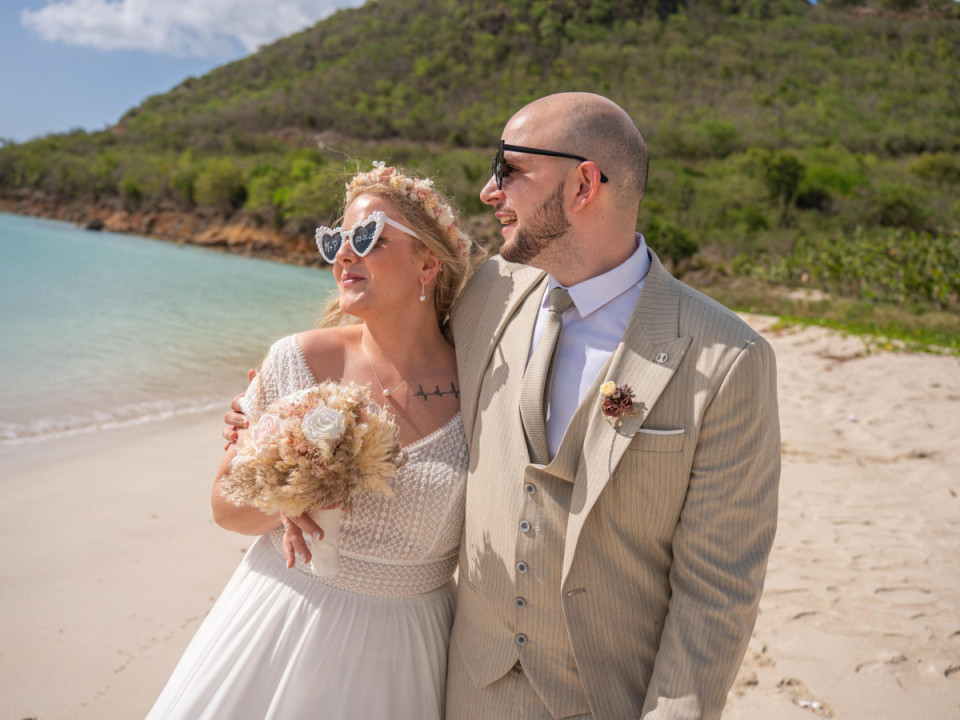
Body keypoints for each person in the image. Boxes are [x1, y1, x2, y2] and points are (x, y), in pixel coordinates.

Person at [227, 92, 780, 720]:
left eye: (509, 170)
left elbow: (720, 588)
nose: (490, 192)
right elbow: (395, 351)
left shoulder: (728, 358)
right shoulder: (488, 295)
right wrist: (274, 417)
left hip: (608, 700)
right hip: (464, 688)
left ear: (583, 184)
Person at [148, 163, 475, 720]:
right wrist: (291, 495)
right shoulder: (296, 359)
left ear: (428, 263)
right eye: (335, 240)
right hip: (280, 622)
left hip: (406, 654)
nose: (345, 255)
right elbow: (226, 507)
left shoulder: (483, 384)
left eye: (367, 237)